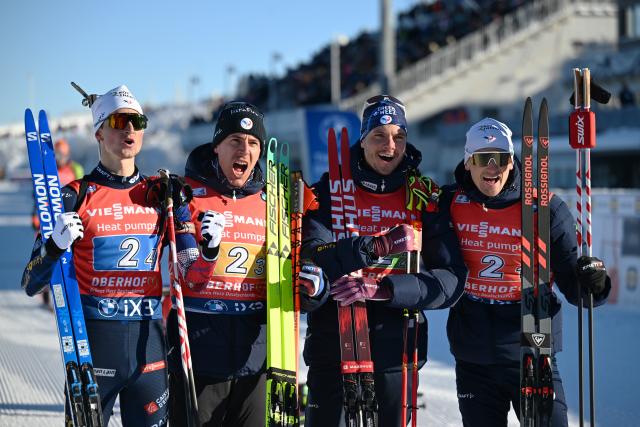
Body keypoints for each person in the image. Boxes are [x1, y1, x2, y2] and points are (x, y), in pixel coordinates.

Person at [22, 84, 197, 426]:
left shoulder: (160, 194)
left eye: (137, 121)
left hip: (150, 352)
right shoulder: (75, 196)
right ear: (100, 132)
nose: (129, 129)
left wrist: (202, 240)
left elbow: (191, 268)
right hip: (92, 350)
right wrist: (54, 245)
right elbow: (31, 282)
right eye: (119, 121)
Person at [300, 95, 468, 426]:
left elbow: (450, 279)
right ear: (362, 140)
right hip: (333, 341)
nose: (389, 144)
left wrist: (385, 289)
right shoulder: (329, 192)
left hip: (398, 341)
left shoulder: (423, 195)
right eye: (379, 134)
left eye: (399, 136)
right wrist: (375, 246)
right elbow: (311, 256)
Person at [442, 117, 611, 427]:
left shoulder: (546, 207)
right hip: (474, 357)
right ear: (468, 162)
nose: (492, 167)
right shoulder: (447, 202)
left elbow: (577, 290)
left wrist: (594, 282)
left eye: (502, 158)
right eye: (482, 158)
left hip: (532, 348)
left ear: (512, 161)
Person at [31, 138, 85, 310]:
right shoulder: (48, 169)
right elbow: (38, 194)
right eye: (58, 154)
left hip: (68, 214)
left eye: (63, 154)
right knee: (47, 253)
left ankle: (71, 293)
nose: (60, 157)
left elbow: (82, 192)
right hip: (49, 216)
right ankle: (47, 296)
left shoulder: (75, 168)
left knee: (70, 256)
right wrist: (36, 215)